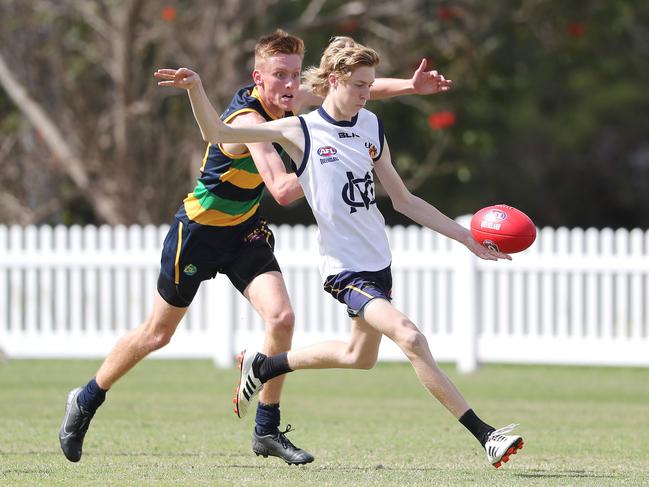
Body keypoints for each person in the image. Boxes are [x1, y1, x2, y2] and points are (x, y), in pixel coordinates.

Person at [58, 29, 454, 465]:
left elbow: (353, 86)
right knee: (158, 333)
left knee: (282, 318)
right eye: (279, 76)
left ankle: (265, 429)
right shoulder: (250, 121)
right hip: (198, 232)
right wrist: (337, 160)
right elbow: (283, 189)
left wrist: (410, 87)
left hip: (244, 230)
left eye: (294, 76)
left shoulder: (293, 101)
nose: (290, 86)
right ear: (258, 78)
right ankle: (87, 398)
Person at [158, 36, 525, 469]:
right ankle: (486, 436)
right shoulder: (300, 129)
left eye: (370, 86)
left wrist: (465, 238)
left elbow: (404, 200)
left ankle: (265, 365)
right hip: (346, 271)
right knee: (410, 336)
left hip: (379, 262)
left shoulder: (370, 125)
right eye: (360, 86)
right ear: (334, 81)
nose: (367, 94)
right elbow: (217, 133)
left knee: (359, 357)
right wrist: (196, 89)